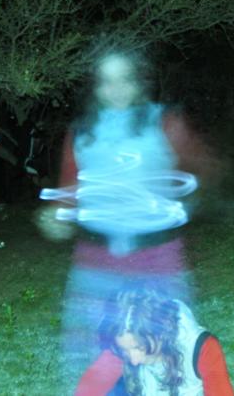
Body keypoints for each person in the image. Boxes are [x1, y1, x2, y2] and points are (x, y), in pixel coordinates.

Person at [36, 39, 209, 387]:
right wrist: (56, 216)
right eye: (105, 80)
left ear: (139, 81)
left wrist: (183, 200)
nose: (115, 89)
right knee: (97, 362)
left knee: (165, 356)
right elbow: (70, 193)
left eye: (124, 78)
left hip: (157, 259)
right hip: (96, 262)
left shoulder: (165, 123)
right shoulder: (81, 133)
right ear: (95, 86)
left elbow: (200, 171)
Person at [75, 287, 234, 396]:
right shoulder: (126, 341)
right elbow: (89, 387)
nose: (134, 360)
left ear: (161, 333)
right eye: (125, 351)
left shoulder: (202, 348)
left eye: (140, 348)